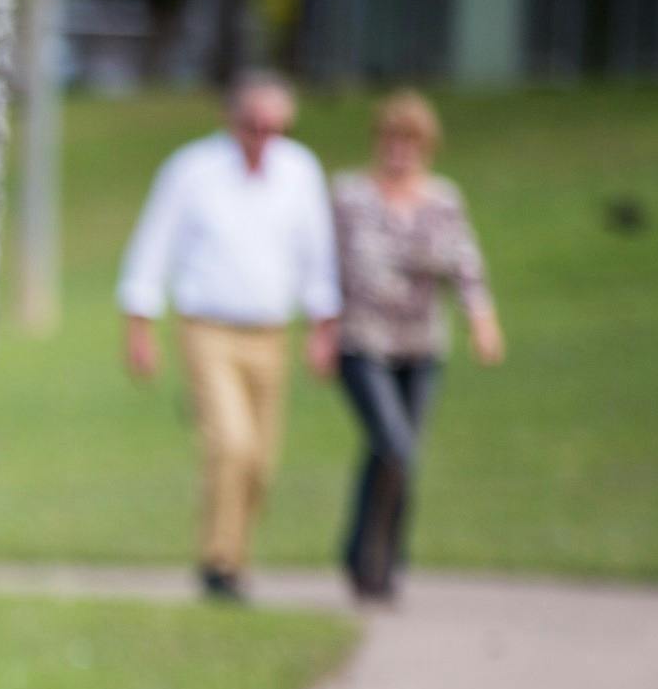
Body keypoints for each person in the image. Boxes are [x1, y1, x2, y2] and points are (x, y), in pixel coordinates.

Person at [118, 73, 341, 603]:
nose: (262, 137)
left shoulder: (299, 171)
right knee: (231, 443)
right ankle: (218, 564)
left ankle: (234, 553)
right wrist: (140, 327)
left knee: (261, 459)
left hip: (270, 331)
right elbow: (153, 246)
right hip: (207, 328)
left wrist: (323, 325)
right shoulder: (192, 170)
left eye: (274, 127)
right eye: (253, 125)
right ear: (231, 119)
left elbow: (317, 253)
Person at [329, 89, 503, 602]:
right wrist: (320, 329)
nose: (399, 149)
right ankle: (369, 558)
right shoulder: (349, 195)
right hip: (362, 340)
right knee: (393, 444)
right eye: (391, 138)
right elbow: (324, 265)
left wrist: (483, 322)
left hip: (421, 345)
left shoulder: (443, 199)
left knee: (398, 453)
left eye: (411, 140)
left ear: (428, 145)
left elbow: (467, 266)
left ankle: (378, 560)